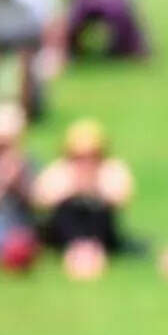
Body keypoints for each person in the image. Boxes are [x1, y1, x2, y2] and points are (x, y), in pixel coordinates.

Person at [31, 119, 136, 278]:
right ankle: (77, 252)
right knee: (68, 209)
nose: (86, 162)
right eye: (80, 156)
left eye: (91, 155)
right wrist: (73, 189)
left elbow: (121, 199)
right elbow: (40, 201)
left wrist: (94, 187)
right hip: (63, 230)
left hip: (100, 228)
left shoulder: (110, 169)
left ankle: (92, 252)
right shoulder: (60, 170)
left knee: (98, 210)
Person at [0, 102, 39, 270]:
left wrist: (18, 182)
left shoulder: (27, 162)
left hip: (20, 220)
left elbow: (35, 202)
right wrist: (1, 180)